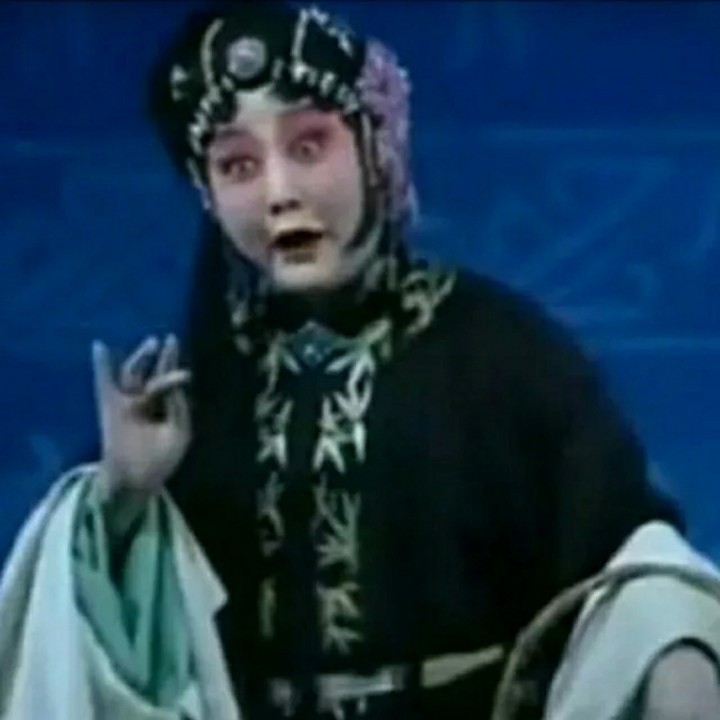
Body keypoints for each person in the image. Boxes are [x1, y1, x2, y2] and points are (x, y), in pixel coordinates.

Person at [1, 3, 720, 719]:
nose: (280, 194)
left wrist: (677, 652)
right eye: (239, 165)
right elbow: (114, 650)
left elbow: (639, 570)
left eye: (309, 147)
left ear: (379, 149)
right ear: (208, 194)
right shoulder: (198, 390)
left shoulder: (504, 356)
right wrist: (125, 498)